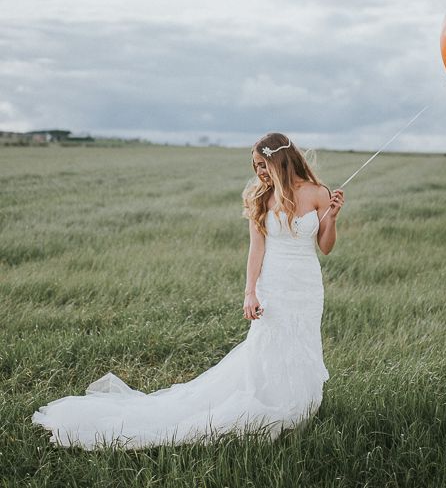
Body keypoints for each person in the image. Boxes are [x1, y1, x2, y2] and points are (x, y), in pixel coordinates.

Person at [31, 132, 344, 449]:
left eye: (264, 165)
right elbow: (256, 251)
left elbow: (325, 247)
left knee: (301, 343)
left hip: (305, 287)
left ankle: (299, 407)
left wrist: (330, 218)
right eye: (256, 166)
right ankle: (270, 404)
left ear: (282, 161)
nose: (260, 172)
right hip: (273, 285)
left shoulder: (318, 193)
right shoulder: (262, 197)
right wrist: (250, 292)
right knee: (268, 346)